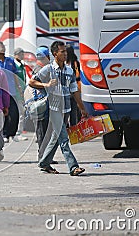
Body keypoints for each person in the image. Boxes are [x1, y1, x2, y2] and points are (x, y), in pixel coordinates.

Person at [29, 41, 87, 176]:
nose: (65, 54)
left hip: (66, 109)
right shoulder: (48, 69)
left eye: (65, 52)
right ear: (55, 54)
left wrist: (82, 108)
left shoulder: (69, 70)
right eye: (62, 52)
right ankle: (73, 167)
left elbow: (74, 90)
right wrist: (46, 84)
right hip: (54, 108)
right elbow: (32, 82)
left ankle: (44, 163)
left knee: (55, 138)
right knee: (63, 138)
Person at [0, 41, 22, 143]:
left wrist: (19, 87)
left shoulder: (10, 61)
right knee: (3, 114)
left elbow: (15, 75)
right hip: (0, 92)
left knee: (15, 114)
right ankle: (4, 133)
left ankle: (12, 133)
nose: (4, 49)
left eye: (4, 47)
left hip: (11, 91)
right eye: (1, 48)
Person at [26, 46, 51, 160]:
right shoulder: (39, 69)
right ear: (46, 57)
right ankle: (42, 156)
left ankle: (45, 155)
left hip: (43, 102)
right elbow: (33, 83)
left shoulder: (41, 67)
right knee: (41, 131)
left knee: (45, 130)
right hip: (40, 103)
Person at [13, 47, 28, 142]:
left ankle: (18, 132)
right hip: (16, 93)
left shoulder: (22, 65)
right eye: (21, 54)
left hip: (22, 92)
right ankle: (18, 133)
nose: (23, 56)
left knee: (21, 113)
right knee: (20, 113)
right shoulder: (15, 66)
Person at [66, 45, 81, 126]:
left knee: (69, 112)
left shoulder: (71, 63)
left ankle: (70, 129)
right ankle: (73, 129)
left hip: (69, 90)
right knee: (74, 111)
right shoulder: (75, 62)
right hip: (73, 89)